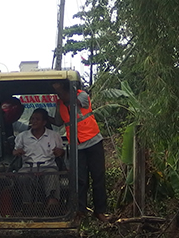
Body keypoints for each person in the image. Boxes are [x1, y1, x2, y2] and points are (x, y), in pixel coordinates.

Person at [52, 80, 109, 222]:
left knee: (98, 177)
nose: (59, 96)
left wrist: (65, 99)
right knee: (80, 179)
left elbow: (75, 103)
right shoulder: (59, 104)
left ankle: (100, 211)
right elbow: (59, 122)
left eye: (60, 92)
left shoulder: (81, 95)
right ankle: (80, 211)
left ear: (67, 89)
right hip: (76, 146)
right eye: (57, 93)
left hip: (93, 141)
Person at [13, 107, 63, 208]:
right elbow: (15, 151)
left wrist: (60, 152)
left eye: (37, 119)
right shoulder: (22, 136)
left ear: (44, 122)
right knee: (22, 175)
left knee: (52, 174)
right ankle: (27, 204)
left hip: (48, 166)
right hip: (28, 167)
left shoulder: (54, 135)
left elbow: (61, 152)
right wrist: (16, 152)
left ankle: (52, 203)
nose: (33, 121)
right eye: (32, 119)